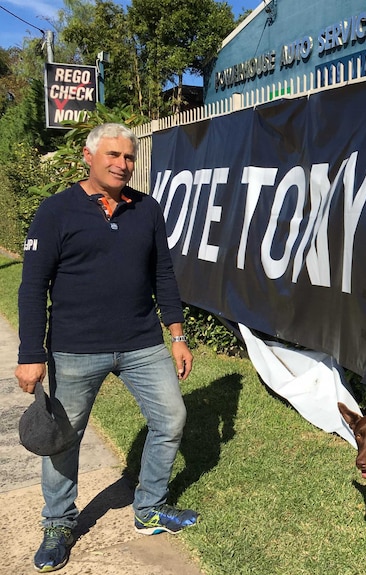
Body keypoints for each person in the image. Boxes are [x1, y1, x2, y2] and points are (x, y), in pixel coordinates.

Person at [15, 123, 198, 573]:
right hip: (74, 349)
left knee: (172, 418)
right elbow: (33, 285)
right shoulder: (55, 211)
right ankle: (58, 522)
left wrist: (176, 335)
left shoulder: (147, 209)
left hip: (141, 343)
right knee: (63, 438)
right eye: (113, 155)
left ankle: (149, 507)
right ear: (88, 156)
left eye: (129, 157)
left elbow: (164, 277)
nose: (122, 164)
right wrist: (30, 354)